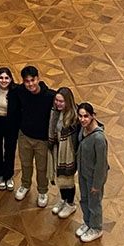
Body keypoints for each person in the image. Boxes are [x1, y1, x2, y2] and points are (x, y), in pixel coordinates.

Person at [12, 65, 55, 207]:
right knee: (25, 164)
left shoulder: (50, 96)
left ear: (38, 78)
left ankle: (42, 191)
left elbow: (65, 105)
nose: (30, 84)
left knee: (42, 168)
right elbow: (7, 86)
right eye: (27, 81)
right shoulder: (21, 91)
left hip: (42, 140)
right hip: (24, 136)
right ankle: (25, 185)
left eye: (32, 80)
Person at [76, 102, 109, 243]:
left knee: (94, 203)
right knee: (84, 199)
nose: (83, 119)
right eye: (80, 116)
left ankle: (96, 228)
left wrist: (97, 184)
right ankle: (88, 222)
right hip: (83, 172)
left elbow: (101, 165)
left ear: (93, 116)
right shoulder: (83, 129)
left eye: (86, 116)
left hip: (93, 177)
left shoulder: (99, 139)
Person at [48, 87, 79, 219]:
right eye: (57, 100)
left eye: (61, 101)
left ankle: (70, 203)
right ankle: (63, 199)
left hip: (68, 152)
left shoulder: (74, 118)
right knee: (60, 177)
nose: (58, 104)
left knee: (68, 179)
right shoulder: (54, 112)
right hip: (57, 148)